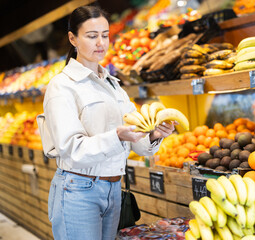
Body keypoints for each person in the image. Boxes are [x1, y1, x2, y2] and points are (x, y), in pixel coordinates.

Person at [39, 5, 175, 240]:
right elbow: (71, 149)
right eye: (92, 36)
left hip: (113, 189)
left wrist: (154, 135)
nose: (100, 43)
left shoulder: (114, 85)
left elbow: (138, 143)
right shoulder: (62, 86)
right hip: (78, 190)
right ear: (73, 38)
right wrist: (117, 137)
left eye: (105, 35)